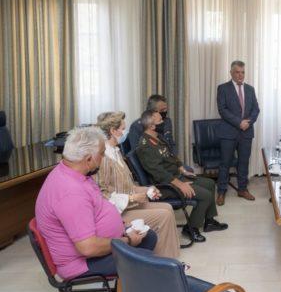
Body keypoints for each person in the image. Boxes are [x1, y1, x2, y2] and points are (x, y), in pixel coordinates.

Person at [35, 126, 157, 281]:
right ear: (88, 159)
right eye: (101, 153)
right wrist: (128, 240)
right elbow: (88, 248)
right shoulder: (70, 193)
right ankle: (131, 291)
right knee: (149, 261)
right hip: (83, 263)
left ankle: (127, 289)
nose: (103, 157)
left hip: (94, 248)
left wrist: (122, 228)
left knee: (149, 237)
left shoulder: (73, 171)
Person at [96, 111, 181, 258]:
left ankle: (169, 258)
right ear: (113, 131)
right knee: (164, 215)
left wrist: (146, 190)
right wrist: (132, 198)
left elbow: (128, 185)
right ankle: (162, 262)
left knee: (167, 208)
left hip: (127, 205)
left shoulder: (116, 152)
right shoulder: (104, 158)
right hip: (117, 212)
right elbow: (102, 195)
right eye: (123, 129)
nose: (125, 133)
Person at [136, 110, 227, 243]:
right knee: (206, 195)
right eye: (160, 121)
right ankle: (191, 228)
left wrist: (183, 170)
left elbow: (171, 156)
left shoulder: (157, 137)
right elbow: (158, 173)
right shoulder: (145, 146)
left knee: (210, 183)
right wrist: (180, 184)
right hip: (164, 186)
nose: (163, 122)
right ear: (151, 126)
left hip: (176, 176)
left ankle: (209, 221)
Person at [216, 60, 260, 205]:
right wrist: (239, 122)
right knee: (225, 163)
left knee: (244, 162)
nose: (240, 75)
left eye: (242, 72)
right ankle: (221, 191)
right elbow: (222, 110)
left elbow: (255, 109)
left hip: (246, 132)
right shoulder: (223, 88)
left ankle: (242, 189)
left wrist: (248, 122)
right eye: (237, 72)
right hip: (228, 133)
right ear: (231, 73)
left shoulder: (250, 89)